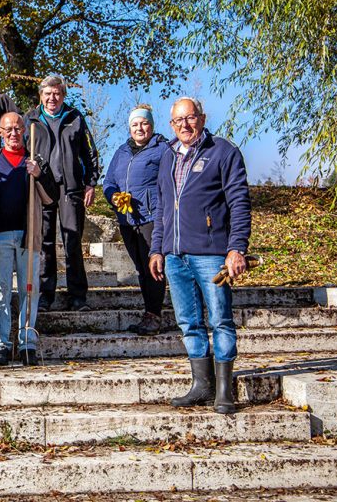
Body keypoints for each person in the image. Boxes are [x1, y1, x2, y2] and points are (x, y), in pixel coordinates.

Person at [148, 96, 251, 415]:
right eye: (178, 121)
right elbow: (163, 207)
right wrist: (157, 248)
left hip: (211, 253)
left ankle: (224, 391)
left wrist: (237, 247)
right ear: (171, 126)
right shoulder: (167, 156)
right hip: (175, 256)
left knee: (220, 319)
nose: (185, 125)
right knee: (188, 322)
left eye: (190, 118)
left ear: (202, 119)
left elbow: (239, 202)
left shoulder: (223, 152)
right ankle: (201, 385)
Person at [0, 112, 58, 367]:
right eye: (8, 129)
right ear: (0, 133)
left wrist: (39, 174)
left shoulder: (35, 160)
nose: (13, 134)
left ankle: (27, 343)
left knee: (29, 290)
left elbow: (51, 197)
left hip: (27, 236)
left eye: (18, 129)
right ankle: (1, 344)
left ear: (24, 131)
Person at [25, 75, 100, 312]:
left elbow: (90, 153)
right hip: (41, 187)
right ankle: (46, 295)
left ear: (63, 95)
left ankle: (77, 296)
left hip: (70, 188)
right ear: (41, 96)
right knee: (44, 242)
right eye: (47, 94)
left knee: (72, 242)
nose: (52, 98)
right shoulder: (31, 119)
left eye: (57, 93)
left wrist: (90, 183)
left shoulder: (75, 118)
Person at [102, 104, 169, 336]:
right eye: (135, 124)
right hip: (128, 220)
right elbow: (109, 181)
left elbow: (168, 184)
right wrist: (113, 196)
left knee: (154, 267)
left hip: (152, 217)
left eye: (144, 123)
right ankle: (149, 313)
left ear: (151, 125)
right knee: (141, 268)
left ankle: (154, 315)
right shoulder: (121, 151)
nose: (139, 128)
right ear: (129, 128)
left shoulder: (163, 149)